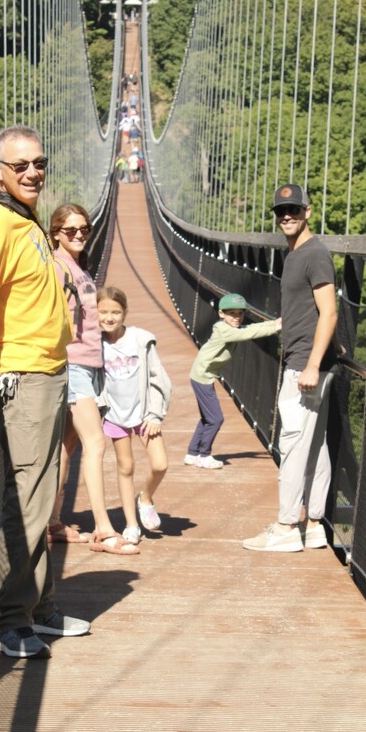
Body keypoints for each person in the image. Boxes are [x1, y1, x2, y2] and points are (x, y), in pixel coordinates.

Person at [0, 125, 91, 659]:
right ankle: (11, 623)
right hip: (23, 376)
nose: (33, 173)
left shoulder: (25, 219)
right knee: (29, 501)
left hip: (48, 371)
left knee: (41, 496)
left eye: (40, 162)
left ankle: (40, 609)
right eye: (21, 166)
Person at [243, 183, 338, 552]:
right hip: (306, 357)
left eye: (294, 210)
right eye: (281, 211)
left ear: (308, 212)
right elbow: (314, 309)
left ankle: (285, 527)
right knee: (315, 445)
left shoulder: (314, 254)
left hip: (305, 365)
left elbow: (329, 311)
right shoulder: (296, 253)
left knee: (293, 443)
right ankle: (313, 524)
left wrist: (313, 363)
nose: (287, 216)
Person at [49, 206, 139, 557]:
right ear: (55, 232)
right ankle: (103, 529)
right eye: (70, 230)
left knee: (66, 448)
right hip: (72, 366)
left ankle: (52, 522)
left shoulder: (79, 267)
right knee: (96, 443)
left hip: (90, 365)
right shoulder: (57, 267)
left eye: (84, 229)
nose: (78, 235)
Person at [97, 286, 171, 545]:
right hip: (116, 416)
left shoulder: (140, 340)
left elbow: (158, 377)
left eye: (115, 312)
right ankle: (131, 524)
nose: (109, 317)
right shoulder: (94, 344)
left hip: (143, 414)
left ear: (125, 313)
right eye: (103, 311)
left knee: (160, 464)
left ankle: (146, 497)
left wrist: (155, 414)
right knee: (125, 467)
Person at [186, 293, 282, 469]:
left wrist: (275, 323)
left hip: (202, 375)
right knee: (216, 419)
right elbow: (248, 333)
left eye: (240, 313)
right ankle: (204, 455)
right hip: (202, 377)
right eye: (232, 313)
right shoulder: (223, 329)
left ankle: (192, 453)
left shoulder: (230, 327)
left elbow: (251, 327)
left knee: (208, 417)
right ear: (221, 314)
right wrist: (276, 327)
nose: (237, 317)